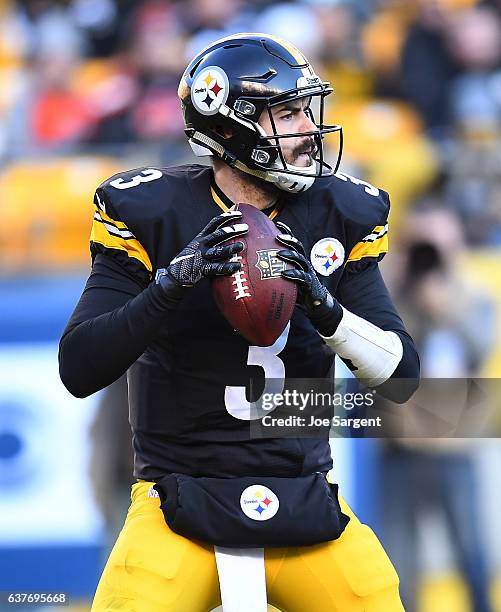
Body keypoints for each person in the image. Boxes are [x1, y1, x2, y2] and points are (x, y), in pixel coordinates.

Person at [59, 33, 420, 611]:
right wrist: (172, 283)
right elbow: (79, 366)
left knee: (373, 594)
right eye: (288, 112)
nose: (308, 128)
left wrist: (328, 311)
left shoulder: (341, 212)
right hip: (177, 498)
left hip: (305, 495)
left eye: (307, 110)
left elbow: (403, 380)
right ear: (231, 129)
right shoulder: (150, 212)